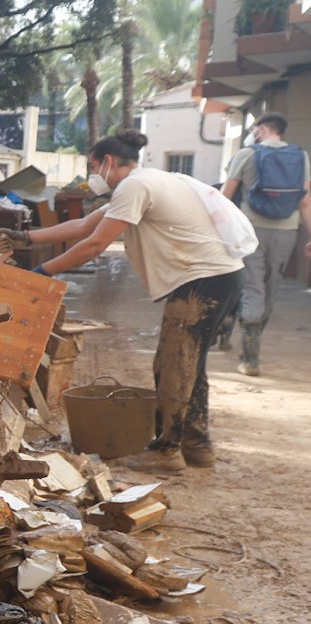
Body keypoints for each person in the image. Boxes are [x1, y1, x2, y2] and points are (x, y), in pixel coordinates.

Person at [15, 131, 247, 474]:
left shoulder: (134, 188)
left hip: (204, 281)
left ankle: (167, 450)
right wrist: (22, 236)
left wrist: (40, 271)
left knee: (173, 365)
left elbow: (95, 245)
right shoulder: (148, 181)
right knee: (189, 365)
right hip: (222, 276)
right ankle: (198, 447)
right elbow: (82, 225)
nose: (92, 174)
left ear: (109, 162)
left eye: (93, 165)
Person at [220, 113, 311, 376]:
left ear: (261, 129)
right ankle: (250, 349)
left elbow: (225, 197)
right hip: (286, 231)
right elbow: (305, 200)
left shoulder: (246, 154)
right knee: (270, 290)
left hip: (250, 230)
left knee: (251, 287)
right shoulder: (301, 156)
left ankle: (250, 359)